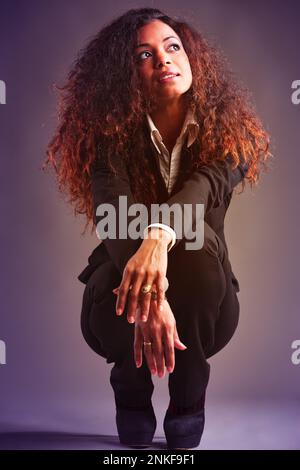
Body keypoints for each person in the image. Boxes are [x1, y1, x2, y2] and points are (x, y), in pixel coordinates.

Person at [45, 7, 272, 450]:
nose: (164, 59)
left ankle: (188, 398)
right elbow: (113, 211)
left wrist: (157, 236)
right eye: (144, 55)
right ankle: (131, 393)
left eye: (172, 47)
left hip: (207, 307)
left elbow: (202, 188)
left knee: (198, 247)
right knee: (118, 273)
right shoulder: (108, 136)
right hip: (115, 307)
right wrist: (152, 295)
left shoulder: (231, 137)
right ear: (125, 75)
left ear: (191, 58)